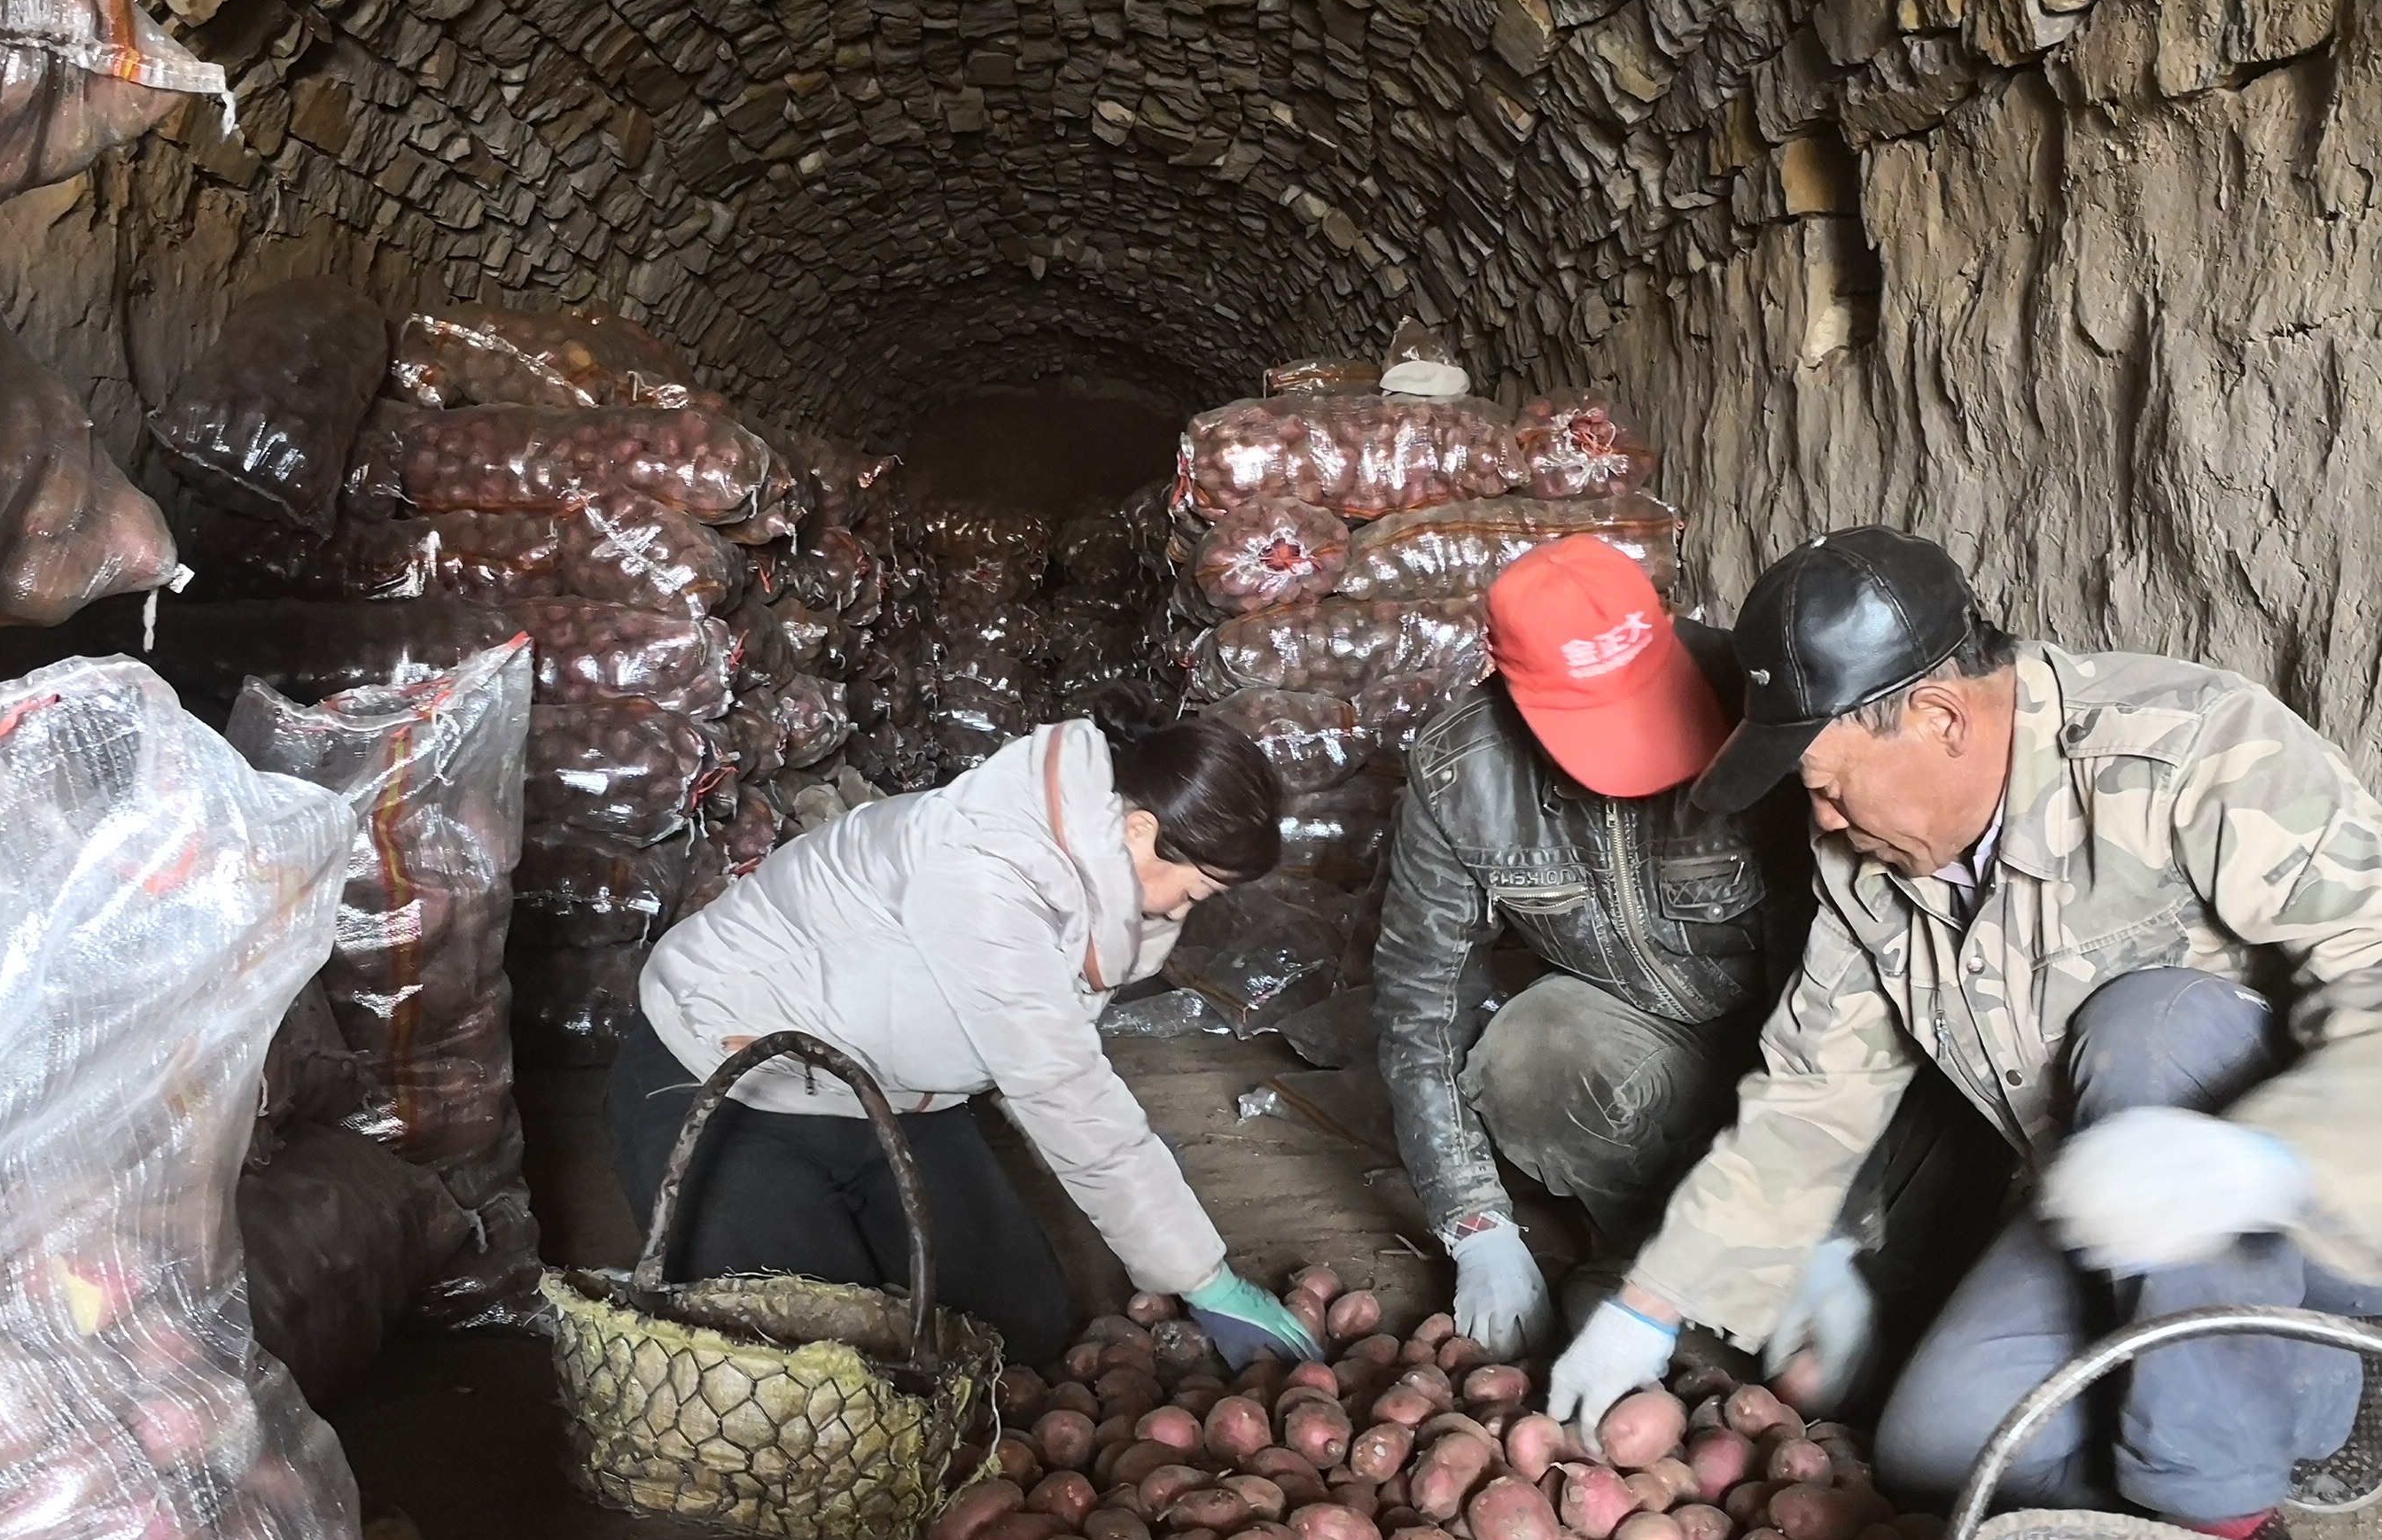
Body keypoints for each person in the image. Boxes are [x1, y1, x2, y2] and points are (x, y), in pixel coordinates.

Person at [1545, 528, 2382, 1540]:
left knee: (2149, 1023)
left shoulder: (2187, 748)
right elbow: (1812, 1096)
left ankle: (2226, 1524)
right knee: (1940, 1449)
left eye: (1823, 781)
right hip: (2142, 1211)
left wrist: (2269, 1160)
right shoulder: (1869, 869)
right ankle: (2293, 1377)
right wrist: (1651, 1305)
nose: (1817, 818)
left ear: (1939, 718)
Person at [1378, 537, 1994, 1360]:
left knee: (1909, 1299)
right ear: (1507, 690)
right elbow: (1420, 1002)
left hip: (1817, 1039)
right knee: (1532, 1049)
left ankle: (1780, 1267)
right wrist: (1476, 1225)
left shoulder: (1767, 702)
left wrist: (1830, 1223)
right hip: (1654, 1048)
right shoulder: (1461, 775)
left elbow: (1858, 962)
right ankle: (1668, 1260)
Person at [617, 691, 1318, 1373]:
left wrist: (1144, 1188)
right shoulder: (984, 874)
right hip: (729, 1078)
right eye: (1195, 891)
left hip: (892, 1095)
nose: (1188, 911)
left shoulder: (1094, 866)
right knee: (811, 1363)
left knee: (1020, 1329)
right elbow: (1057, 1083)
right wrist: (1202, 1276)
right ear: (1139, 832)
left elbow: (1042, 1045)